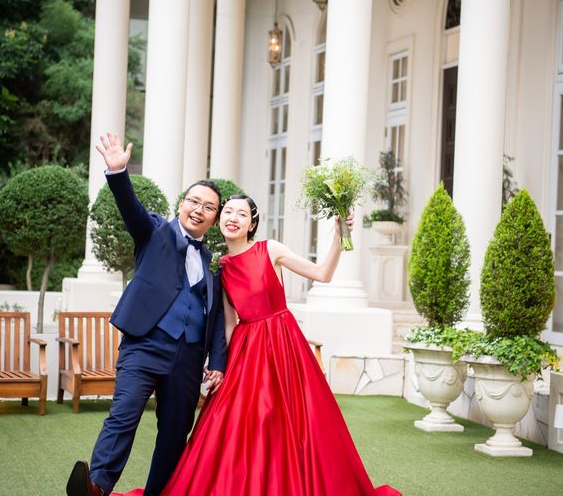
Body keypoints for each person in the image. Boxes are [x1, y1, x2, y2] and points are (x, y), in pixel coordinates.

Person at [114, 193, 401, 495]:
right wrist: (220, 366)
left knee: (296, 420)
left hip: (283, 343)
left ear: (252, 224)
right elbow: (228, 322)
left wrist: (340, 237)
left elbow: (322, 274)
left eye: (242, 214)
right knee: (238, 422)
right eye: (228, 212)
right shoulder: (222, 267)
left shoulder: (270, 249)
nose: (233, 218)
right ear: (219, 220)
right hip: (246, 349)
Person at [66, 133, 228, 496]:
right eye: (194, 201)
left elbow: (216, 317)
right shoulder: (153, 231)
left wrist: (217, 361)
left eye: (208, 207)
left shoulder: (212, 262)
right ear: (182, 204)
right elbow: (131, 208)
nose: (199, 209)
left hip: (189, 356)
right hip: (144, 345)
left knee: (175, 432)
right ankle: (97, 487)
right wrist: (118, 173)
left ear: (214, 218)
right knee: (123, 414)